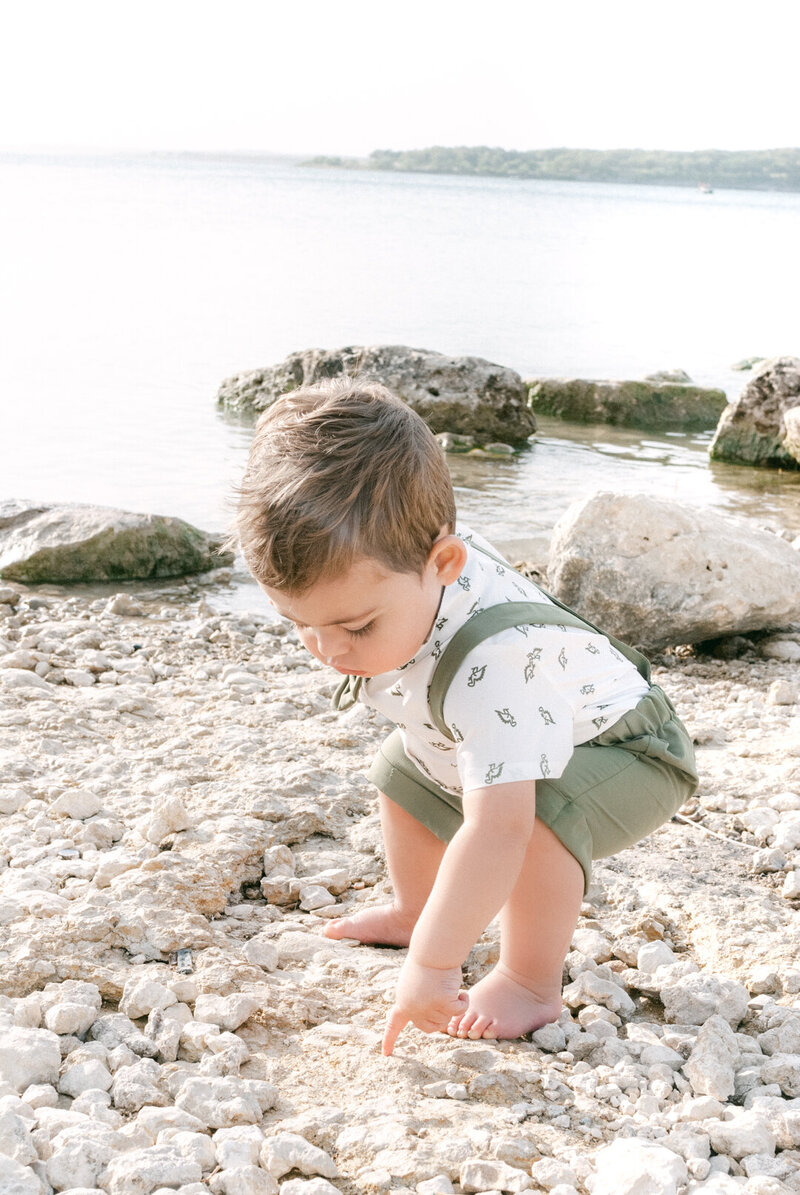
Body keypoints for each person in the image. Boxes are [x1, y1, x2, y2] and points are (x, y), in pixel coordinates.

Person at [231, 379, 698, 1056]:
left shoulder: (494, 668)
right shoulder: (405, 555)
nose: (329, 650)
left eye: (357, 625)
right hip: (537, 717)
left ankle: (529, 980)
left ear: (444, 562)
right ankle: (418, 907)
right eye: (300, 624)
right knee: (402, 768)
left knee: (537, 815)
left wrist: (434, 965)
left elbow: (499, 827)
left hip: (633, 750)